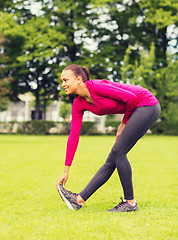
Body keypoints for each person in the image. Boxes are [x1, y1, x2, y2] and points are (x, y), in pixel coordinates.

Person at [56, 64, 161, 212]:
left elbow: (131, 98)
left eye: (66, 80)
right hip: (138, 108)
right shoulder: (78, 104)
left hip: (146, 104)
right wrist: (66, 170)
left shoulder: (96, 86)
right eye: (62, 81)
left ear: (78, 79)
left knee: (119, 152)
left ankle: (130, 202)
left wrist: (123, 124)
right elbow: (74, 135)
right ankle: (78, 200)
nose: (63, 84)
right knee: (112, 159)